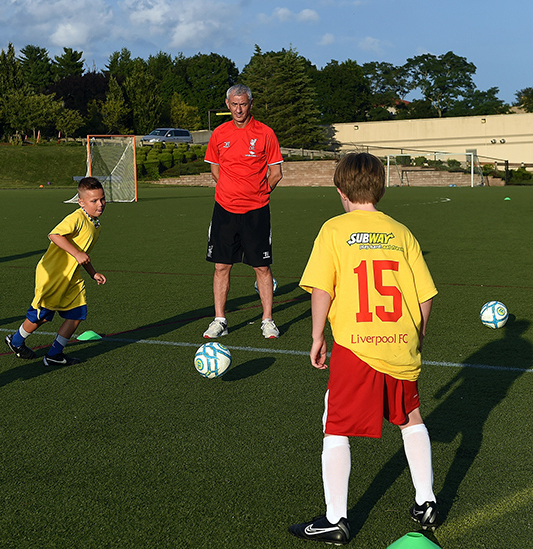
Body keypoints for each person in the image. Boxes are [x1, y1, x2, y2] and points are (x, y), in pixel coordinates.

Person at [289, 152, 438, 545]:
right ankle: (426, 501)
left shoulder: (334, 230)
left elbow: (323, 287)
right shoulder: (402, 232)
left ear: (341, 191)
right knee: (410, 416)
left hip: (357, 345)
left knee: (335, 425)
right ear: (382, 188)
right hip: (400, 341)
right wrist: (417, 334)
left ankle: (336, 518)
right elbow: (425, 296)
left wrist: (317, 336)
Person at [203, 84, 283, 339]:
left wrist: (258, 192)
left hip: (256, 211)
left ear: (251, 104)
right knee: (221, 266)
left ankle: (267, 320)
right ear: (228, 105)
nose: (239, 109)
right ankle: (219, 320)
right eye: (234, 104)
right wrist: (231, 191)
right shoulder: (219, 133)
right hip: (224, 211)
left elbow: (276, 172)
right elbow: (215, 169)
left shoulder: (265, 133)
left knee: (261, 267)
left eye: (244, 104)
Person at [5, 177, 107, 366]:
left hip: (71, 276)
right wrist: (76, 253)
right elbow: (54, 235)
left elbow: (82, 254)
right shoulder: (77, 217)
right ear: (81, 202)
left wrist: (92, 272)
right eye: (94, 201)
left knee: (77, 314)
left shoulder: (95, 223)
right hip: (53, 274)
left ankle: (54, 354)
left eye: (102, 199)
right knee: (42, 315)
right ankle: (16, 341)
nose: (100, 204)